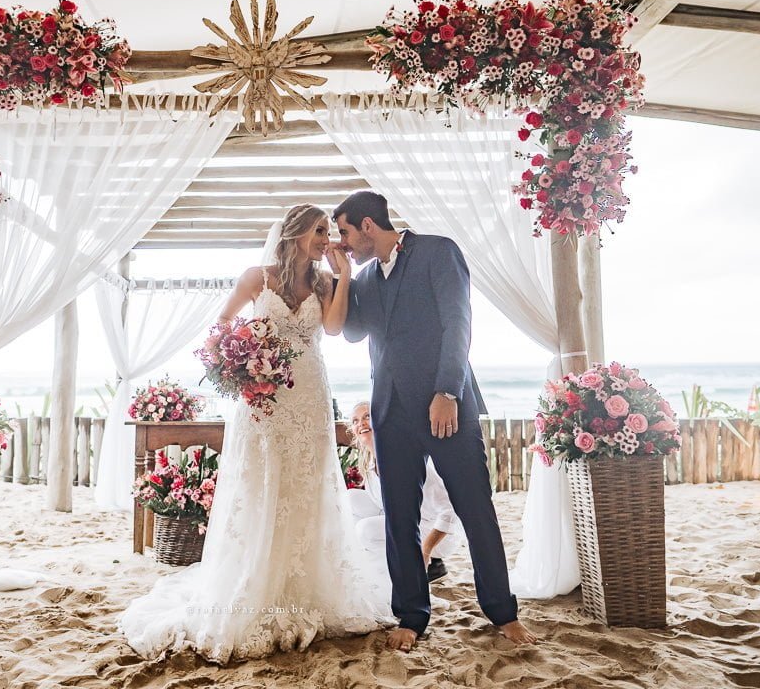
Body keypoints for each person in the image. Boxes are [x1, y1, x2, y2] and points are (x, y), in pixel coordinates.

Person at [119, 204, 393, 664]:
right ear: (294, 233)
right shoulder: (256, 277)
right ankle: (254, 586)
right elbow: (219, 329)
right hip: (261, 400)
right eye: (318, 230)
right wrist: (242, 363)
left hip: (307, 394)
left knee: (306, 486)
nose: (326, 238)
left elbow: (332, 327)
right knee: (261, 484)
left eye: (328, 230)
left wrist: (343, 276)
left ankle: (306, 588)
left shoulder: (324, 282)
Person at [333, 190, 537, 650]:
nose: (343, 242)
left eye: (345, 233)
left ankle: (503, 613)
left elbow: (458, 321)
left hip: (445, 406)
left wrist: (448, 391)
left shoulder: (438, 251)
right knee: (399, 518)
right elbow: (350, 333)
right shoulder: (364, 279)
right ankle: (410, 616)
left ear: (368, 226)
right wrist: (342, 276)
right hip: (389, 411)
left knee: (475, 508)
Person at [346, 401, 461, 582]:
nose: (361, 424)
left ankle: (424, 568)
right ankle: (378, 564)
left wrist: (426, 549)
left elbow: (450, 511)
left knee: (365, 529)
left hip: (434, 532)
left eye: (367, 416)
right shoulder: (369, 462)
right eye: (355, 420)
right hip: (402, 520)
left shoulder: (408, 459)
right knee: (349, 499)